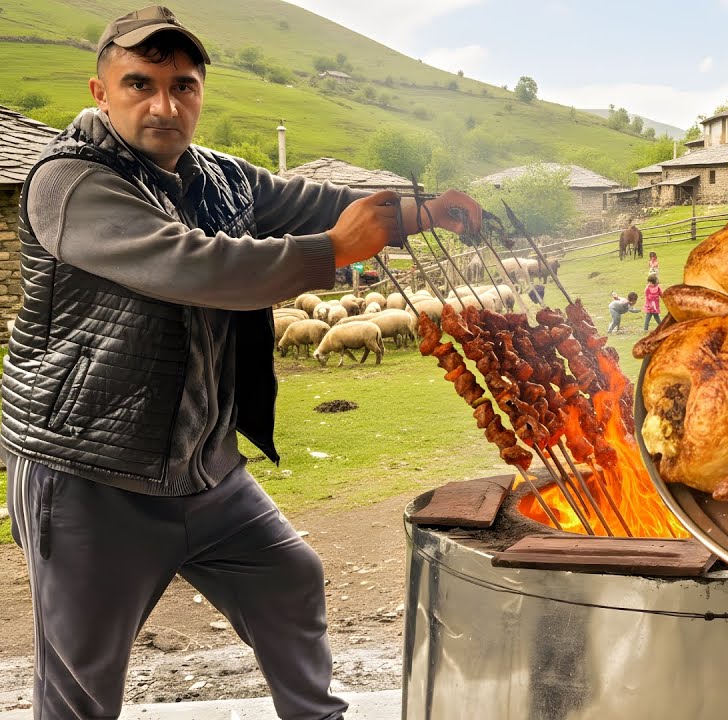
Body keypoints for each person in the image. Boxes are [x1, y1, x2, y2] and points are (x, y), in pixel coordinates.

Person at [0, 6, 485, 720]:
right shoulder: (68, 183)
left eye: (183, 86)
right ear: (101, 93)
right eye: (140, 83)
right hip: (91, 478)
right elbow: (195, 266)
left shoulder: (220, 177)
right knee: (80, 687)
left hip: (204, 469)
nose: (164, 104)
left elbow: (310, 199)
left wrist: (421, 209)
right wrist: (331, 253)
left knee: (289, 578)